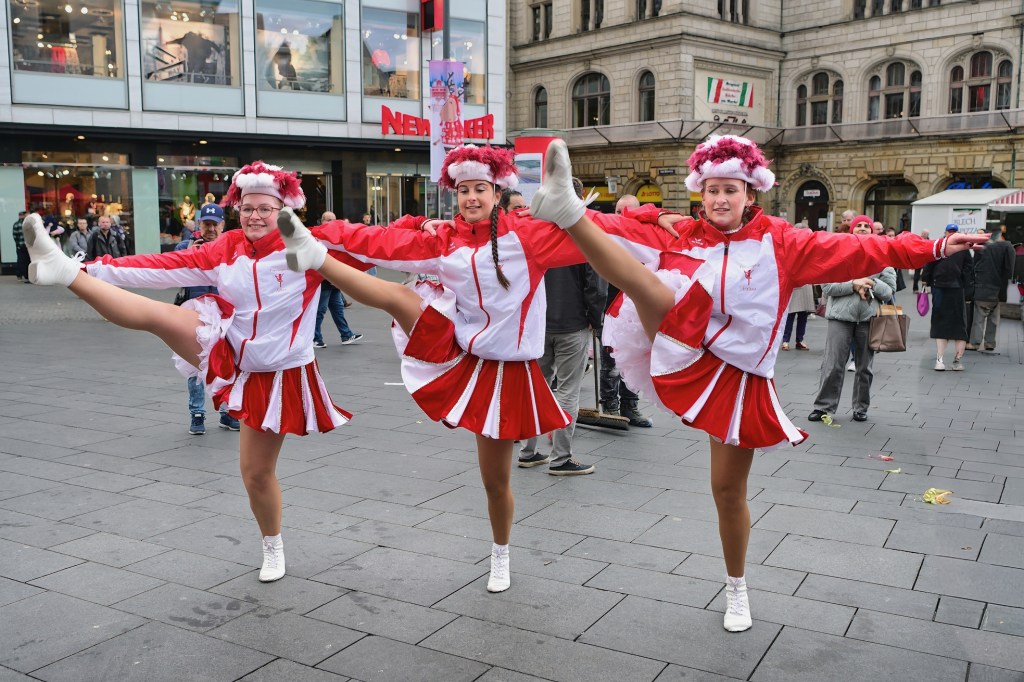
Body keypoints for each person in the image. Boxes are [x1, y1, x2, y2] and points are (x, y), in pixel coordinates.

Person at [527, 135, 986, 633]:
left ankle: (736, 587)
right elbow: (614, 228)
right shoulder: (683, 233)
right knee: (647, 285)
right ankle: (568, 209)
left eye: (731, 189)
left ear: (750, 194)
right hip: (680, 347)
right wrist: (592, 218)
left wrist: (933, 247)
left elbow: (862, 248)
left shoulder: (783, 243)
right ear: (701, 193)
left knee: (727, 491)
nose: (720, 199)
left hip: (738, 380)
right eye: (712, 190)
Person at [275, 144, 678, 594]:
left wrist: (657, 217)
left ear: (497, 193)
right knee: (399, 297)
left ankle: (500, 554)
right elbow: (378, 240)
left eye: (480, 189)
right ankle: (314, 255)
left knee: (496, 481)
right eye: (463, 190)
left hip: (513, 372)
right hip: (460, 357)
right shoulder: (442, 239)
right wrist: (317, 233)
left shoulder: (528, 234)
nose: (471, 197)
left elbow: (604, 229)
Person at [21, 160, 351, 584]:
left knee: (256, 474)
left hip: (281, 374)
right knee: (158, 317)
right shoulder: (225, 247)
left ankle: (273, 546)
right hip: (231, 354)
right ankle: (65, 271)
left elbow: (379, 244)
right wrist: (92, 268)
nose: (254, 216)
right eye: (247, 208)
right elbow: (160, 267)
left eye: (265, 209)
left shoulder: (308, 246)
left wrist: (424, 229)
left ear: (283, 210)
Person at [517, 254, 605, 475]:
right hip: (572, 322)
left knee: (535, 388)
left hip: (538, 323)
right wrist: (596, 320)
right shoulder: (581, 243)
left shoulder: (536, 241)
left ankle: (527, 451)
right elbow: (596, 287)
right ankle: (560, 457)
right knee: (568, 390)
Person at [808, 215, 896, 423]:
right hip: (840, 317)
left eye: (867, 226)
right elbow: (827, 287)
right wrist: (853, 284)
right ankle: (823, 407)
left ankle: (860, 407)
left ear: (872, 231)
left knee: (865, 367)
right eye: (859, 226)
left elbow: (889, 291)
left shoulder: (882, 257)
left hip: (869, 319)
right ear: (852, 230)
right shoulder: (838, 254)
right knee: (833, 364)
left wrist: (871, 282)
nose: (863, 228)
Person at [175, 203, 240, 435]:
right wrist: (189, 253)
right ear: (200, 224)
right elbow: (171, 271)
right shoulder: (185, 246)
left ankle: (227, 411)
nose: (211, 229)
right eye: (207, 224)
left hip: (224, 314)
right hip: (194, 313)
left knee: (227, 364)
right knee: (194, 365)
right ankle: (197, 413)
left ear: (223, 225)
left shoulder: (232, 248)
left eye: (215, 225)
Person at [599, 194, 654, 428]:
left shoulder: (646, 239)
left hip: (636, 311)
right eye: (619, 211)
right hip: (610, 309)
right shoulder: (606, 237)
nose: (624, 216)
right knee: (610, 361)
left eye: (629, 211)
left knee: (634, 361)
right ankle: (610, 406)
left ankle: (630, 406)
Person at [922, 224, 975, 371]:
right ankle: (946, 360)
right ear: (945, 232)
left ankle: (950, 360)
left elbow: (929, 264)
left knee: (947, 322)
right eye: (950, 231)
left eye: (953, 231)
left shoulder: (941, 246)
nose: (951, 233)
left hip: (947, 286)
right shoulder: (960, 248)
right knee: (952, 322)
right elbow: (968, 269)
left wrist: (926, 279)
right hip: (947, 286)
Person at [313, 213, 363, 348]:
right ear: (322, 221)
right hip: (323, 279)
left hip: (333, 280)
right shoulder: (316, 236)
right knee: (320, 310)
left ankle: (346, 334)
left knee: (338, 309)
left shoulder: (335, 235)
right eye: (328, 220)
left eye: (334, 220)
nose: (331, 223)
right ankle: (315, 338)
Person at [968, 224, 1015, 351]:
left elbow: (975, 268)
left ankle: (975, 343)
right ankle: (990, 343)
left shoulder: (982, 250)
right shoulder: (1004, 249)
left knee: (979, 317)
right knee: (993, 317)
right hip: (998, 289)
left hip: (983, 288)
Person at [13, 211, 29, 282]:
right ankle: (26, 275)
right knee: (26, 260)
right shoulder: (26, 224)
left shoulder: (16, 224)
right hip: (26, 245)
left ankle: (19, 275)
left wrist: (17, 244)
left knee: (20, 260)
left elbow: (15, 236)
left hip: (20, 245)